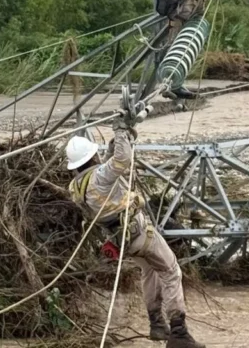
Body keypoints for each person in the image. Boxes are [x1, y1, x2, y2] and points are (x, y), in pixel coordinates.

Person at [66, 102, 205, 348]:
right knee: (172, 271)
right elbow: (120, 162)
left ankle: (156, 324)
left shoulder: (77, 186)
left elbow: (105, 171)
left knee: (149, 270)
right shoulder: (100, 177)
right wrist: (121, 132)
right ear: (91, 157)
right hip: (139, 233)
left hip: (123, 240)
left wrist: (119, 140)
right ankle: (179, 333)